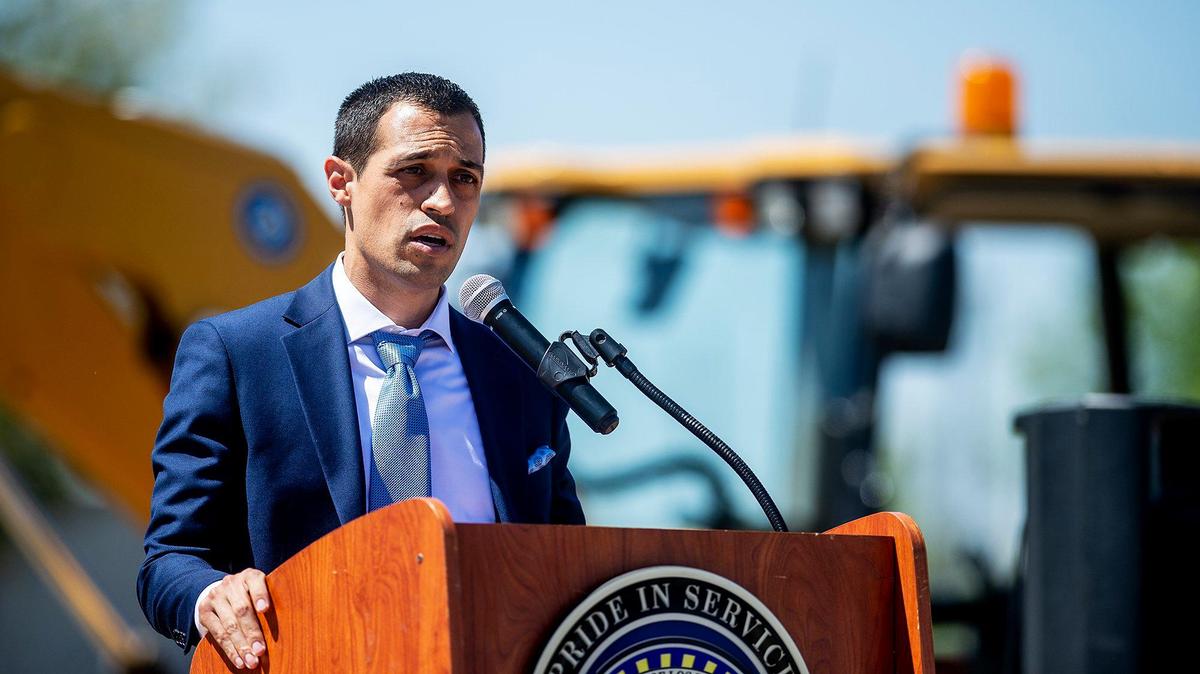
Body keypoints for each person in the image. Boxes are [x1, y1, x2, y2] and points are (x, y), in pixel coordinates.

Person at [137, 73, 584, 669]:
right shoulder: (238, 354)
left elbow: (572, 565)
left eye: (464, 178)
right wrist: (208, 594)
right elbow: (170, 560)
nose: (443, 202)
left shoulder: (520, 375)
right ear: (340, 182)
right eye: (414, 171)